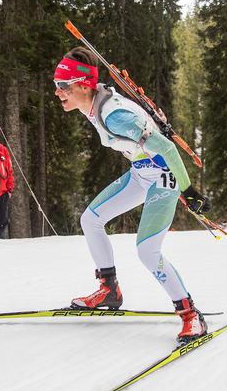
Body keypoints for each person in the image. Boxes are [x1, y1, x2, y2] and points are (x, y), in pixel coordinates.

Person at [53, 47, 211, 344]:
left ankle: (190, 314)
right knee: (91, 219)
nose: (58, 92)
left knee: (147, 251)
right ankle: (109, 290)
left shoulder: (114, 116)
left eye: (63, 86)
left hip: (162, 176)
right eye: (56, 85)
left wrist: (189, 190)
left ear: (83, 85)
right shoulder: (92, 101)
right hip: (141, 172)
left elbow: (166, 148)